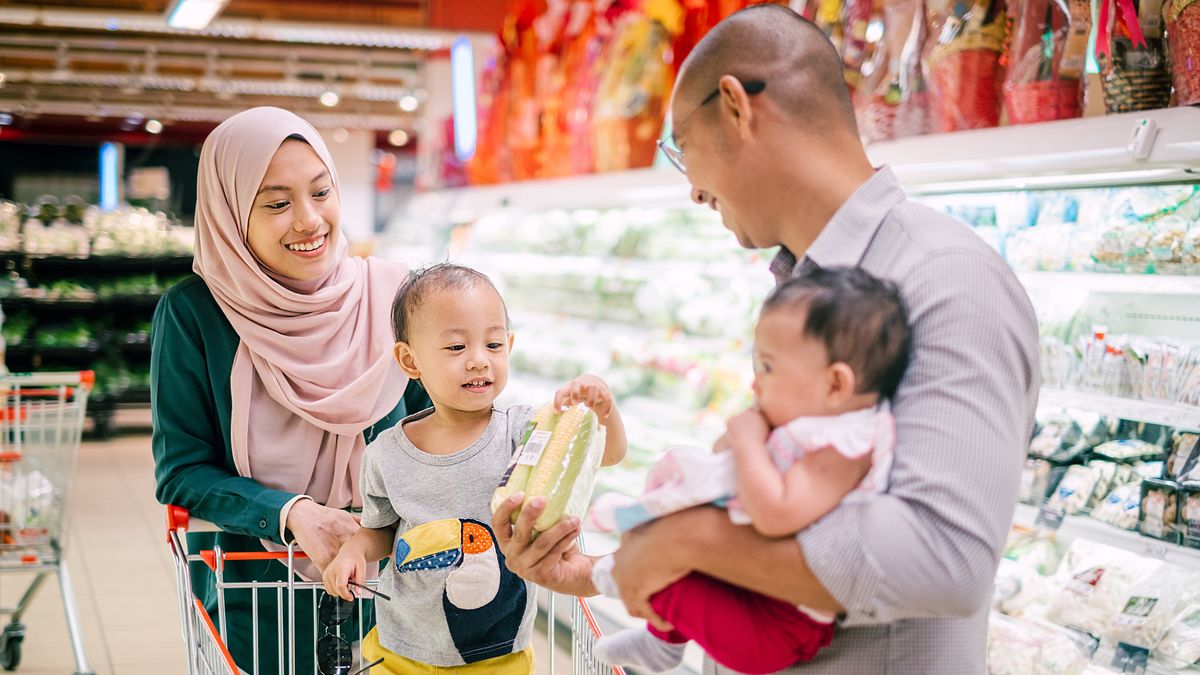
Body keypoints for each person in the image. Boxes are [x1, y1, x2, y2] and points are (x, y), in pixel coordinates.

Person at [492, 5, 1040, 673]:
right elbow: (792, 547)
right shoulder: (811, 283)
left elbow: (946, 557)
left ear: (735, 108)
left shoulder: (946, 278)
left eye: (680, 148)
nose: (692, 189)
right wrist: (615, 569)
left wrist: (688, 538)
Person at [151, 106, 431, 674]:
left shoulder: (396, 298)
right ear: (230, 214)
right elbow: (181, 470)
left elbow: (443, 432)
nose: (309, 221)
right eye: (277, 203)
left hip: (397, 591)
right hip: (256, 593)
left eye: (321, 192)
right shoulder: (195, 313)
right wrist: (292, 512)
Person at [589, 268, 910, 674]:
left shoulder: (846, 446)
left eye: (769, 368)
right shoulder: (810, 419)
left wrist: (748, 442)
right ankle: (662, 643)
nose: (756, 384)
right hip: (756, 584)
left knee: (665, 578)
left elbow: (776, 514)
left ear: (835, 385)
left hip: (778, 623)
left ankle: (643, 615)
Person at [321, 263, 628, 674]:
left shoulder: (525, 431)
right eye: (456, 348)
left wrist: (602, 410)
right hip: (399, 647)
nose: (479, 361)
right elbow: (379, 531)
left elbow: (607, 455)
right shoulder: (385, 454)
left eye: (494, 345)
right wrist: (353, 552)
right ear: (410, 360)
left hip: (497, 653)